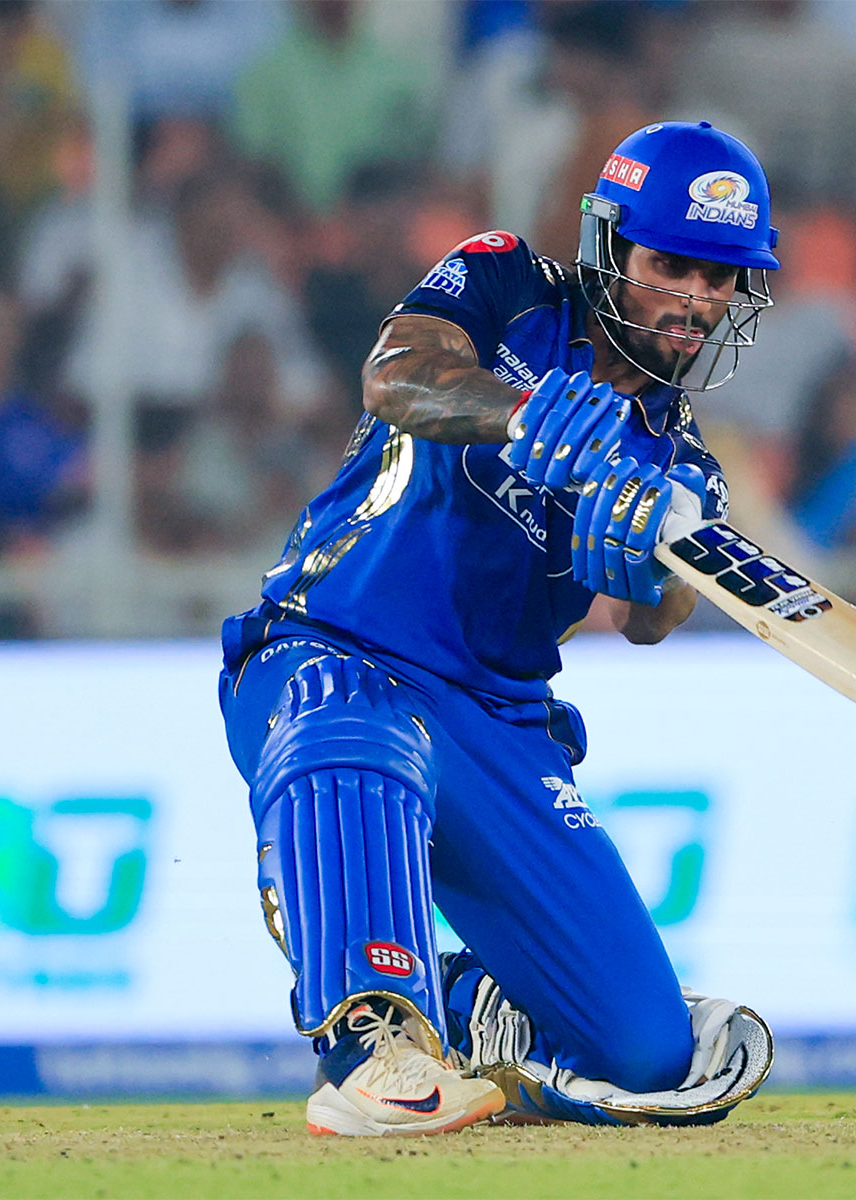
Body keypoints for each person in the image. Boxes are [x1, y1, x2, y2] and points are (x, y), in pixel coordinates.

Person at [219, 122, 780, 1136]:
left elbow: (662, 615)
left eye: (722, 277)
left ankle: (479, 1003)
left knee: (647, 1054)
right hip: (329, 648)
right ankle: (376, 1041)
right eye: (673, 266)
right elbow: (398, 375)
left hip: (500, 724)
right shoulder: (504, 280)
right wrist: (523, 416)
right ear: (610, 248)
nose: (698, 300)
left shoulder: (680, 457)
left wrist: (649, 561)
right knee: (352, 723)